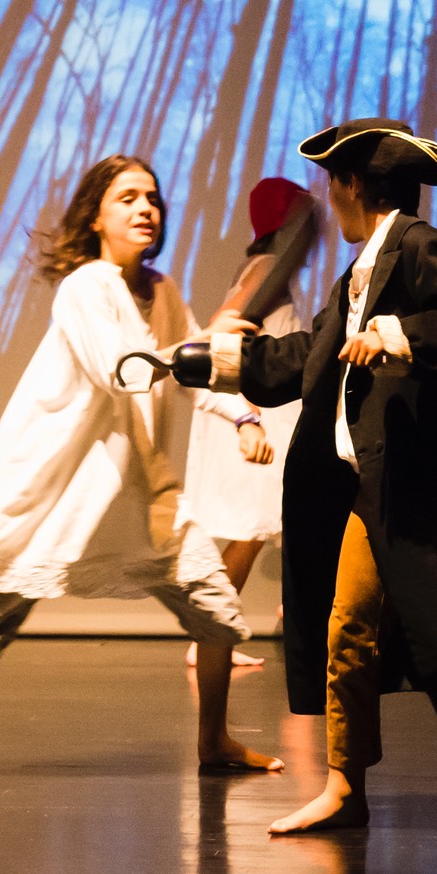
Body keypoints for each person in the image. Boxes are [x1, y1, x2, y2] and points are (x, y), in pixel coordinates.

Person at [0, 155, 282, 788]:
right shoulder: (86, 287)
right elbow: (121, 370)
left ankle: (213, 741)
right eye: (127, 198)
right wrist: (201, 346)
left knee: (217, 612)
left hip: (145, 499)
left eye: (152, 198)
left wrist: (243, 415)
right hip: (66, 499)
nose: (145, 208)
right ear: (95, 217)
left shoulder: (163, 290)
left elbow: (196, 373)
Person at [200, 116, 437, 838]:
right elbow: (306, 356)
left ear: (352, 184)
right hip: (373, 490)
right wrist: (216, 361)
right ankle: (345, 787)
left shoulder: (423, 248)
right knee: (347, 631)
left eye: (331, 184)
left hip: (427, 492)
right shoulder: (360, 275)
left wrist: (397, 335)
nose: (328, 199)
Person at [177, 178, 313, 670]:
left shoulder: (264, 264)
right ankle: (212, 634)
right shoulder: (266, 265)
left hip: (263, 413)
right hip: (257, 415)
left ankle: (221, 632)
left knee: (265, 528)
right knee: (256, 529)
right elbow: (222, 330)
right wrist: (247, 415)